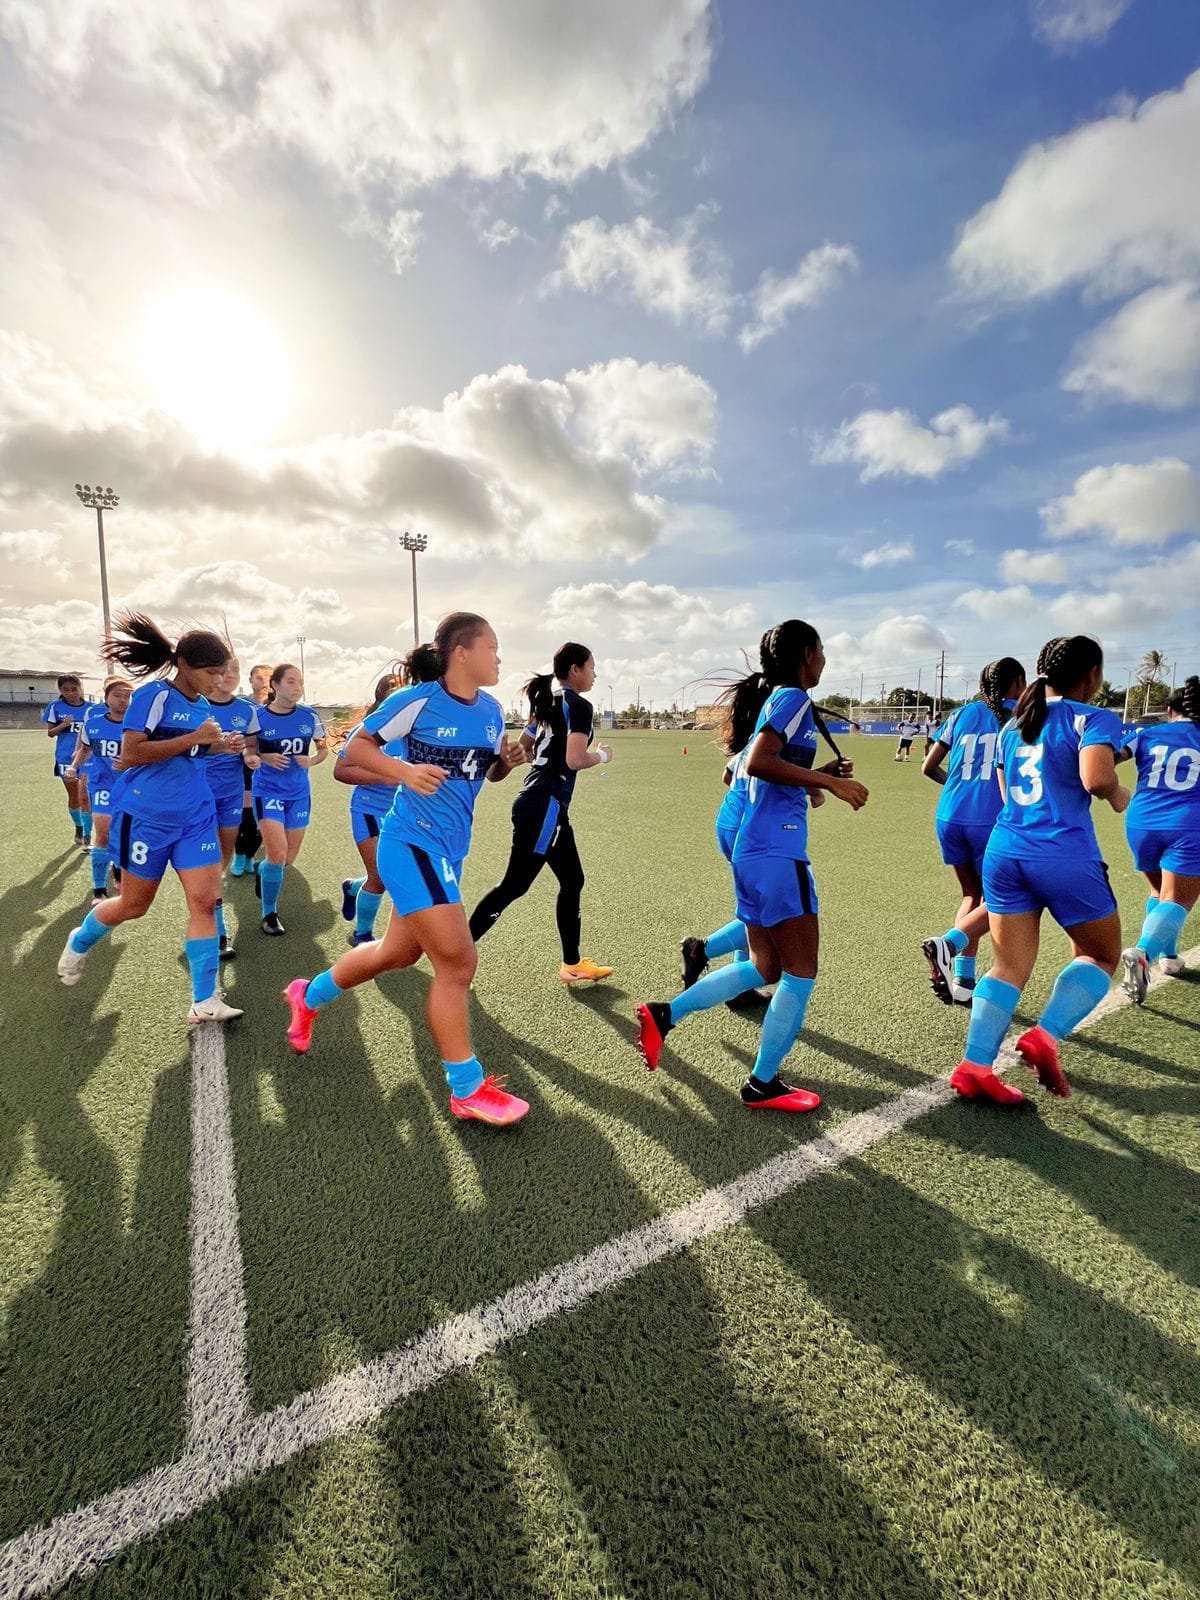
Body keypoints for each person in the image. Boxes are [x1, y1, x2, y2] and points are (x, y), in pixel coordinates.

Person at [283, 613, 531, 1126]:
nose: (499, 658)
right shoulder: (416, 699)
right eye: (493, 647)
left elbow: (484, 772)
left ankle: (307, 996)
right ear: (461, 652)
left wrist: (508, 760)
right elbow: (354, 750)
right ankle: (466, 1089)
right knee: (458, 964)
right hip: (410, 843)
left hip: (448, 851)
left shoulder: (489, 710)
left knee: (395, 954)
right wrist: (404, 771)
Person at [636, 620, 868, 1112]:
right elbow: (760, 761)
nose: (825, 660)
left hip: (753, 849)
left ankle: (665, 1014)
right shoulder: (792, 698)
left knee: (765, 964)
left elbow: (748, 770)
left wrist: (816, 776)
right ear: (807, 654)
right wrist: (829, 785)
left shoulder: (776, 701)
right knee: (799, 974)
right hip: (777, 852)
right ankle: (764, 1084)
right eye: (822, 651)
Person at [950, 635, 1129, 1106]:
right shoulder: (1092, 717)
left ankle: (974, 1066)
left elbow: (1007, 790)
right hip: (1064, 856)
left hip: (1006, 849)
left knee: (1007, 966)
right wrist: (1116, 795)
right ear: (1091, 674)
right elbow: (1097, 778)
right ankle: (1044, 1036)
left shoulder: (1014, 725)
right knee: (1101, 956)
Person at [56, 613, 243, 1024]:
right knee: (134, 906)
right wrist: (194, 739)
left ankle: (203, 999)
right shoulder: (152, 696)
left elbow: (189, 753)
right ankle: (81, 938)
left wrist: (219, 748)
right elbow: (134, 753)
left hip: (195, 815)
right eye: (211, 672)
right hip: (145, 817)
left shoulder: (203, 705)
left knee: (206, 902)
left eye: (223, 672)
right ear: (185, 666)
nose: (218, 680)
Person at [469, 641, 614, 984]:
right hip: (545, 805)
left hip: (540, 803)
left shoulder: (546, 704)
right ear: (575, 669)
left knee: (572, 880)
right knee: (514, 886)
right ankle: (457, 953)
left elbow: (525, 748)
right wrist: (603, 756)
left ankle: (572, 964)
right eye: (591, 667)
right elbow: (574, 759)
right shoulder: (579, 705)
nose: (594, 674)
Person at [920, 658, 1026, 1006]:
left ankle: (962, 983)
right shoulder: (1023, 716)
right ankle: (963, 966)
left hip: (949, 815)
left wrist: (957, 788)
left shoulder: (961, 713)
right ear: (1018, 682)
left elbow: (928, 766)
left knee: (971, 894)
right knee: (996, 901)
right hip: (990, 819)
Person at [1119, 674, 1200, 999]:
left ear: (1171, 711)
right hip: (1188, 822)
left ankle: (1168, 956)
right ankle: (1144, 954)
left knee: (1160, 890)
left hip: (1141, 821)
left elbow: (1110, 758)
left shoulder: (1146, 733)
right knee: (1179, 900)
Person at [244, 663, 328, 936]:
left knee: (286, 859)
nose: (297, 687)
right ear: (276, 686)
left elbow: (323, 750)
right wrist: (263, 757)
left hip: (299, 794)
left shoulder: (309, 715)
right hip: (267, 791)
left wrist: (312, 760)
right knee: (278, 854)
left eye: (300, 682)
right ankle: (269, 912)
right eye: (291, 681)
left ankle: (263, 869)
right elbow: (248, 752)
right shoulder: (258, 716)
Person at [333, 668, 405, 947]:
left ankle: (353, 887)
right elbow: (341, 771)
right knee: (380, 876)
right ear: (384, 698)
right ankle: (362, 934)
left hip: (402, 815)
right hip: (369, 809)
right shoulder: (367, 731)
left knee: (393, 873)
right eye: (396, 689)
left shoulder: (415, 731)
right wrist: (386, 776)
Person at [202, 653, 260, 957]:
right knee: (207, 863)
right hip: (196, 792)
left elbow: (251, 745)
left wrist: (250, 755)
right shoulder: (195, 705)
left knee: (220, 861)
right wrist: (218, 745)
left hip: (231, 792)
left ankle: (205, 910)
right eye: (223, 669)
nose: (229, 674)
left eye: (234, 669)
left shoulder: (246, 710)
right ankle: (216, 929)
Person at [64, 677, 132, 904]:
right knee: (102, 834)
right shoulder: (93, 724)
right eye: (118, 695)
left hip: (131, 787)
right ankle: (99, 891)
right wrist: (74, 767)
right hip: (102, 784)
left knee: (124, 836)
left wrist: (131, 761)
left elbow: (148, 755)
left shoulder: (138, 727)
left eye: (127, 696)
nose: (123, 700)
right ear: (106, 698)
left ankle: (118, 869)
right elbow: (84, 749)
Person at [230, 663, 273, 877]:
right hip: (246, 766)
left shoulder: (277, 707)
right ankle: (239, 855)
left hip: (272, 769)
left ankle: (249, 856)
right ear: (250, 680)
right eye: (259, 677)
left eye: (268, 678)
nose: (263, 682)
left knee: (262, 818)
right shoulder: (243, 705)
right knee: (247, 815)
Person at [42, 673, 92, 845]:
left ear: (80, 688)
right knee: (75, 796)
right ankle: (79, 827)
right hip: (65, 758)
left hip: (88, 758)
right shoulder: (55, 707)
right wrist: (63, 725)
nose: (71, 693)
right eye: (66, 690)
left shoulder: (92, 708)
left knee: (86, 795)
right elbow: (50, 733)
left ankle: (87, 832)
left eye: (74, 689)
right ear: (60, 691)